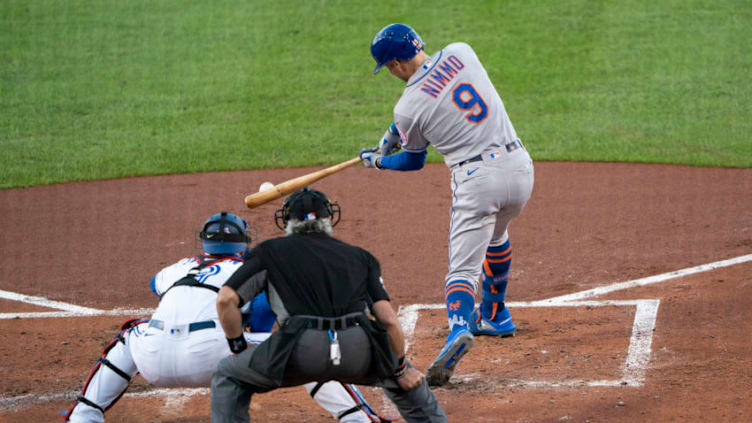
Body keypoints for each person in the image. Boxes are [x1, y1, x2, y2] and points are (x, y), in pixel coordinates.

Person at [64, 211, 391, 423]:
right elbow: (263, 312)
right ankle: (359, 419)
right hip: (215, 359)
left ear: (204, 243)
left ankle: (84, 414)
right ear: (243, 244)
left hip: (153, 361)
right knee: (306, 347)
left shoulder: (178, 268)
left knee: (131, 331)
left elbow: (155, 284)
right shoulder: (246, 267)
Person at [360, 23, 535, 387]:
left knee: (461, 270)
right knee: (497, 236)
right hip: (520, 170)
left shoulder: (408, 107)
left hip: (478, 182)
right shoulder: (461, 51)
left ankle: (459, 328)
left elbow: (412, 160)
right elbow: (440, 94)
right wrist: (395, 132)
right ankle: (495, 314)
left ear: (393, 65)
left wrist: (378, 160)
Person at [210, 188, 448, 423]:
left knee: (229, 374)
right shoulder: (360, 256)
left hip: (298, 351)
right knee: (407, 380)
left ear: (287, 221)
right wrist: (399, 370)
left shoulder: (268, 252)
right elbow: (388, 320)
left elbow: (225, 300)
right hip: (358, 349)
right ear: (328, 217)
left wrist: (238, 347)